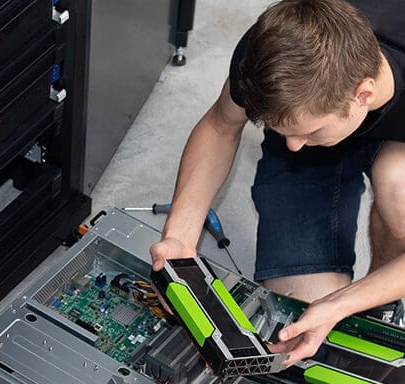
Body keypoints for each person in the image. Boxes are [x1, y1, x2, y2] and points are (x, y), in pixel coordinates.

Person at [150, 0, 405, 365]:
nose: (293, 145)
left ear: (363, 94)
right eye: (282, 130)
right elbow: (221, 126)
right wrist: (179, 237)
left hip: (396, 144)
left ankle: (380, 298)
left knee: (399, 186)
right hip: (313, 144)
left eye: (309, 132)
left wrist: (343, 303)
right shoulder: (273, 48)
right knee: (300, 320)